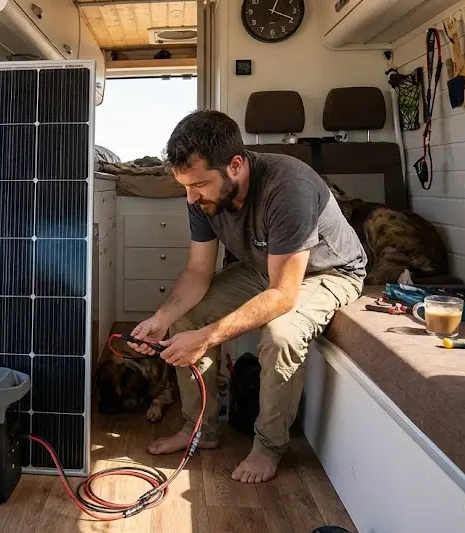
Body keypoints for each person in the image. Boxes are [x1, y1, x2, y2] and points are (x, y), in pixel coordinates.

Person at [126, 110, 367, 484]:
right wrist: (161, 318)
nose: (191, 198)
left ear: (235, 166)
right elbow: (197, 272)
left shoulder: (289, 187)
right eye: (185, 186)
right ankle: (199, 430)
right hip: (265, 267)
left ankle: (269, 447)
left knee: (281, 335)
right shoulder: (202, 196)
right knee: (186, 317)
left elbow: (283, 295)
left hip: (328, 272)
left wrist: (206, 339)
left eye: (199, 185)